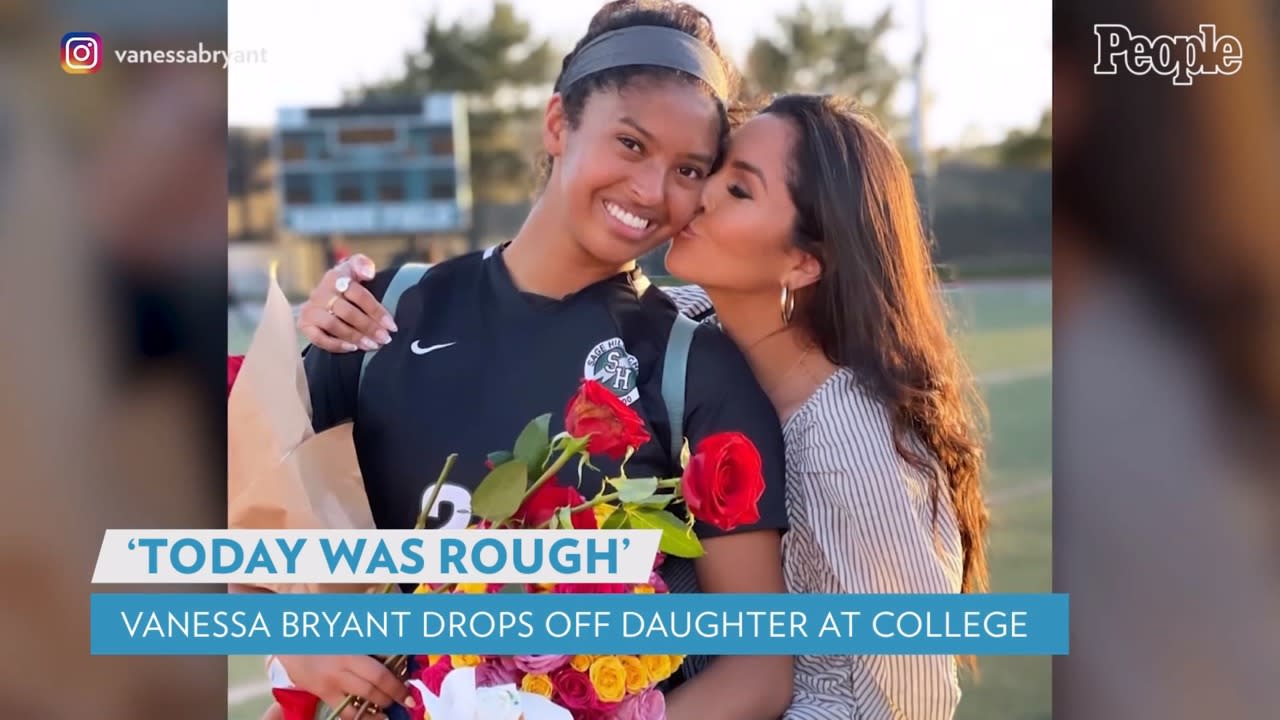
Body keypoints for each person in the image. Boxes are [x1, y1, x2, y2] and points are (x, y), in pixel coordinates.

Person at [306, 94, 991, 718]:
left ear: (804, 264)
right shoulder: (697, 330)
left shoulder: (849, 438)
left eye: (737, 189)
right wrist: (330, 308)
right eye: (707, 174)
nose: (693, 201)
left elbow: (917, 694)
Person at [256, 2, 794, 719]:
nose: (652, 190)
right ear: (558, 124)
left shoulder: (694, 366)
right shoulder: (382, 312)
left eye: (689, 168)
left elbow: (760, 669)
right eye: (631, 144)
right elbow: (238, 529)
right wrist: (290, 634)